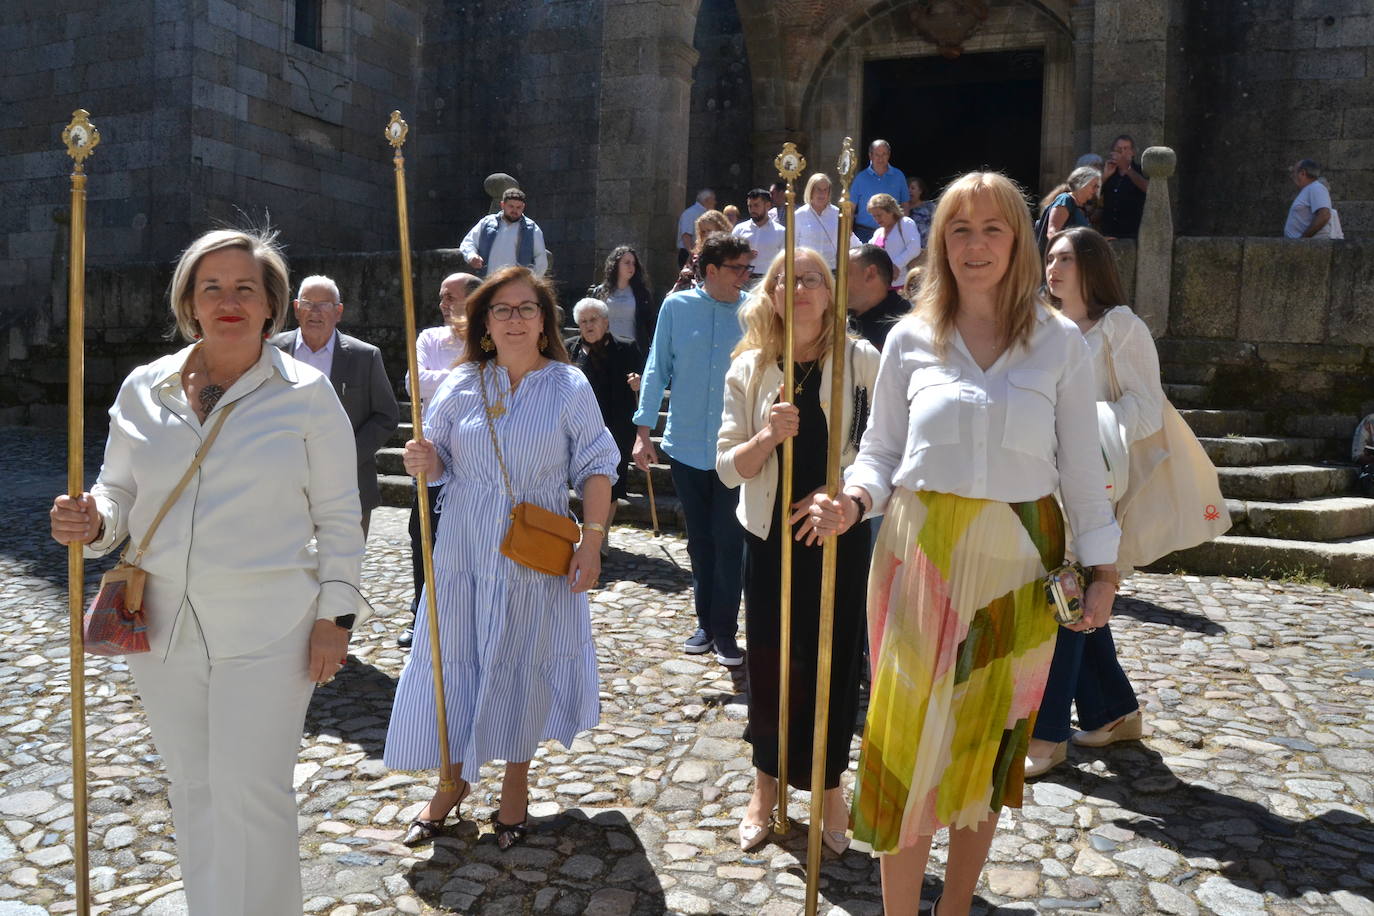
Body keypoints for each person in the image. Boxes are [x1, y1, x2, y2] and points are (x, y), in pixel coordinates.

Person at [804, 172, 1121, 916]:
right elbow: (879, 454)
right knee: (906, 746)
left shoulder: (1060, 343)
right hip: (920, 558)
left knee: (984, 750)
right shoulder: (911, 336)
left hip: (1019, 560)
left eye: (992, 229)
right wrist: (852, 500)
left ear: (1019, 239)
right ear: (939, 242)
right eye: (958, 229)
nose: (975, 245)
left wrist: (1103, 570)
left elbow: (1081, 468)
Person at [49, 228, 364, 916]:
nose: (228, 301)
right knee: (193, 788)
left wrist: (334, 618)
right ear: (189, 301)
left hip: (271, 625)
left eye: (245, 288)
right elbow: (119, 494)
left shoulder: (307, 395)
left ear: (270, 305)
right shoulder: (143, 388)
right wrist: (92, 520)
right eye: (211, 287)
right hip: (162, 627)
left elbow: (341, 516)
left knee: (253, 789)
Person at [384, 266, 619, 850]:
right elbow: (441, 466)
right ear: (485, 322)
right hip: (463, 548)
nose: (515, 319)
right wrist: (423, 459)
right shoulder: (463, 384)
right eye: (502, 310)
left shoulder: (569, 385)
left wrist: (591, 542)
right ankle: (452, 780)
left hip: (532, 555)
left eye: (527, 308)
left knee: (521, 666)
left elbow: (596, 468)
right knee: (456, 659)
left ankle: (515, 788)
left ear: (545, 320)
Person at [716, 247, 880, 853]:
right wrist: (766, 435)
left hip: (839, 532)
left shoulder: (861, 359)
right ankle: (765, 785)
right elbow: (727, 467)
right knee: (769, 661)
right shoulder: (751, 368)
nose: (802, 287)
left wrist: (844, 496)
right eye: (787, 278)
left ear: (832, 291)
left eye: (814, 277)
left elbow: (885, 445)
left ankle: (831, 787)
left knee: (834, 664)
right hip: (770, 537)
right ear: (772, 294)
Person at [1026, 226, 1161, 777]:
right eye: (1049, 259)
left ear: (1091, 266)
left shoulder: (1121, 327)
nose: (1052, 269)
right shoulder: (1045, 327)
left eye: (1064, 259)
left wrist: (1089, 423)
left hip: (1095, 480)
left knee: (1069, 593)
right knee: (1078, 595)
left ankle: (1048, 734)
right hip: (1044, 479)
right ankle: (1115, 710)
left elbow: (1148, 408)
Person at [634, 233, 753, 666]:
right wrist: (642, 429)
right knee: (700, 542)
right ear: (712, 271)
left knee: (729, 540)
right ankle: (705, 622)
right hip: (684, 445)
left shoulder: (754, 310)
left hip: (736, 451)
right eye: (738, 268)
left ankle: (725, 630)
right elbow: (657, 365)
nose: (746, 277)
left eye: (747, 268)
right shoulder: (676, 307)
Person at [270, 275, 400, 537]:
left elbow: (386, 415)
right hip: (282, 485)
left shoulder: (365, 356)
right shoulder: (270, 352)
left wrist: (346, 454)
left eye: (324, 305)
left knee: (343, 573)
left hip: (348, 485)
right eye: (308, 303)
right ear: (296, 309)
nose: (315, 312)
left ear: (338, 312)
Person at [398, 272, 479, 648]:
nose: (444, 304)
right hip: (432, 453)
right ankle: (422, 609)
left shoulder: (487, 339)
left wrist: (443, 378)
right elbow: (414, 381)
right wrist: (465, 376)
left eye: (451, 297)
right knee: (423, 534)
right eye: (441, 297)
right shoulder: (430, 338)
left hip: (476, 455)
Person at [566, 297, 645, 553]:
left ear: (606, 322)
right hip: (579, 427)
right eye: (583, 321)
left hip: (616, 427)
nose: (588, 325)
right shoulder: (570, 350)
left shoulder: (626, 348)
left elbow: (643, 381)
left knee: (612, 483)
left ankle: (602, 536)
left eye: (594, 320)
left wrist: (638, 382)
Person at [459, 188, 549, 277]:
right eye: (511, 206)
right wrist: (471, 256)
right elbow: (468, 243)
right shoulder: (486, 223)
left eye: (518, 207)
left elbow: (541, 260)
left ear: (523, 207)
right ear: (502, 205)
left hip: (515, 285)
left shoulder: (532, 229)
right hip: (486, 282)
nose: (515, 211)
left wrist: (529, 282)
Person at [590, 244, 657, 355]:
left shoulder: (642, 294)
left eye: (633, 263)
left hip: (633, 351)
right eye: (627, 263)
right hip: (606, 350)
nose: (631, 267)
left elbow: (651, 325)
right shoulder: (600, 292)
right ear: (616, 265)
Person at [846, 244, 911, 352]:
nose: (837, 281)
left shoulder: (907, 327)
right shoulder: (837, 320)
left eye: (844, 274)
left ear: (870, 274)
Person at [796, 173, 861, 271]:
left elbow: (852, 241)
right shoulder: (799, 214)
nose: (822, 193)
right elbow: (791, 245)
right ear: (811, 190)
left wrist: (869, 251)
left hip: (833, 270)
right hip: (807, 269)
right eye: (818, 189)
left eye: (825, 190)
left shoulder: (838, 214)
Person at [851, 139, 910, 243]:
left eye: (884, 154)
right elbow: (851, 209)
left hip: (892, 231)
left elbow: (905, 204)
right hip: (864, 232)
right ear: (870, 155)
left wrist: (903, 229)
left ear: (889, 155)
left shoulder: (898, 176)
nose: (880, 158)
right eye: (877, 155)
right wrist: (848, 233)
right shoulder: (860, 178)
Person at [867, 192, 923, 284]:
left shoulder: (905, 223)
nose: (876, 219)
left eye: (879, 215)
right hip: (882, 285)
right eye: (874, 216)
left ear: (891, 211)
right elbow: (868, 251)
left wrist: (896, 265)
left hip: (902, 284)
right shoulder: (878, 232)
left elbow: (914, 248)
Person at [672, 209, 733, 293]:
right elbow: (686, 273)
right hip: (694, 292)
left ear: (720, 229)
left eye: (709, 230)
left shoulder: (729, 252)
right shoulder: (698, 252)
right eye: (703, 232)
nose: (706, 234)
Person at [1099, 136, 1148, 239]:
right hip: (1109, 232)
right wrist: (1105, 176)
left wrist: (1127, 169)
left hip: (1132, 233)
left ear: (1133, 152)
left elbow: (1149, 190)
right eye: (1118, 149)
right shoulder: (1108, 171)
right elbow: (1093, 196)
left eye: (1126, 148)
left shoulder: (1141, 171)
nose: (1122, 152)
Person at [732, 188, 786, 279]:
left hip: (768, 279)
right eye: (750, 206)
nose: (752, 209)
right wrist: (743, 255)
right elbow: (729, 254)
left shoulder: (780, 232)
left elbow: (784, 260)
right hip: (742, 279)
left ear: (768, 205)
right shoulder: (739, 229)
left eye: (756, 205)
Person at [1284, 159, 1340, 239]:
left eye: (1294, 172)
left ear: (1303, 173)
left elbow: (1324, 215)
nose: (1292, 176)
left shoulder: (1316, 187)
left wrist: (1303, 240)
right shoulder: (1310, 189)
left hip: (1308, 246)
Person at [1045, 166, 1101, 241]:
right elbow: (1052, 233)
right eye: (1094, 185)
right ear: (1081, 183)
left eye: (1097, 187)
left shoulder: (1081, 207)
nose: (1096, 190)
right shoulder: (1065, 200)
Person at [678, 188, 716, 265]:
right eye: (713, 199)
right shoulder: (691, 213)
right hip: (690, 255)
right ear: (707, 200)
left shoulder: (705, 213)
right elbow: (686, 235)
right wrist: (692, 254)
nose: (715, 202)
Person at [903, 175, 936, 242]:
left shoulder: (929, 207)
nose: (909, 191)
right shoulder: (900, 208)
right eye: (907, 188)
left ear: (920, 191)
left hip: (926, 247)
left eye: (912, 188)